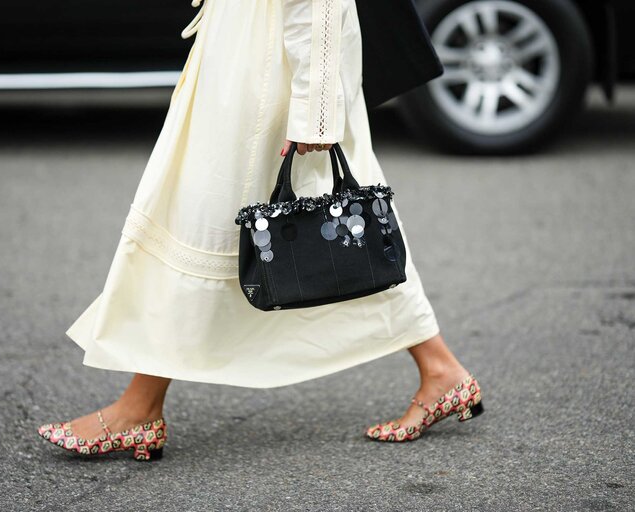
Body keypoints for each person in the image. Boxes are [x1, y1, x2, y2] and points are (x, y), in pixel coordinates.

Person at [37, 0, 483, 461]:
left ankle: (139, 408)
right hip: (248, 54)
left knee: (219, 224)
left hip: (273, 68)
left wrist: (316, 110)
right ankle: (441, 369)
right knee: (323, 229)